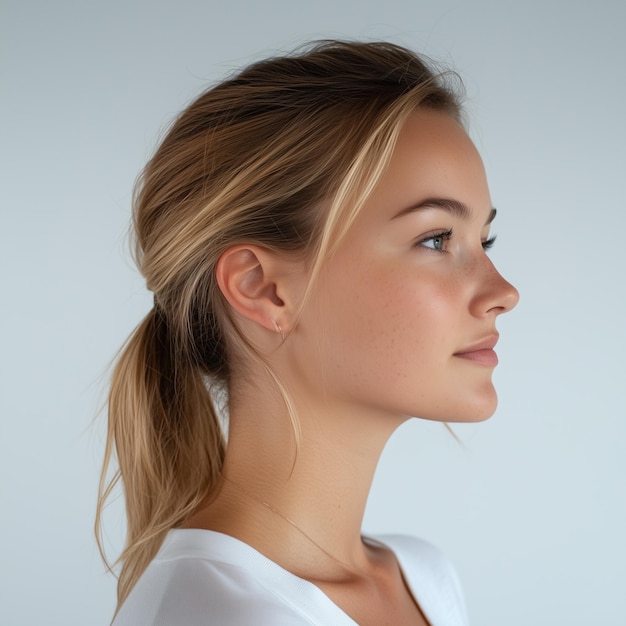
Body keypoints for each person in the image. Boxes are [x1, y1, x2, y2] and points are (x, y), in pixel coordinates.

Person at [97, 40, 519, 625]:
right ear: (264, 288)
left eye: (484, 240)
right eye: (436, 239)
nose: (503, 291)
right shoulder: (217, 614)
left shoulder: (424, 580)